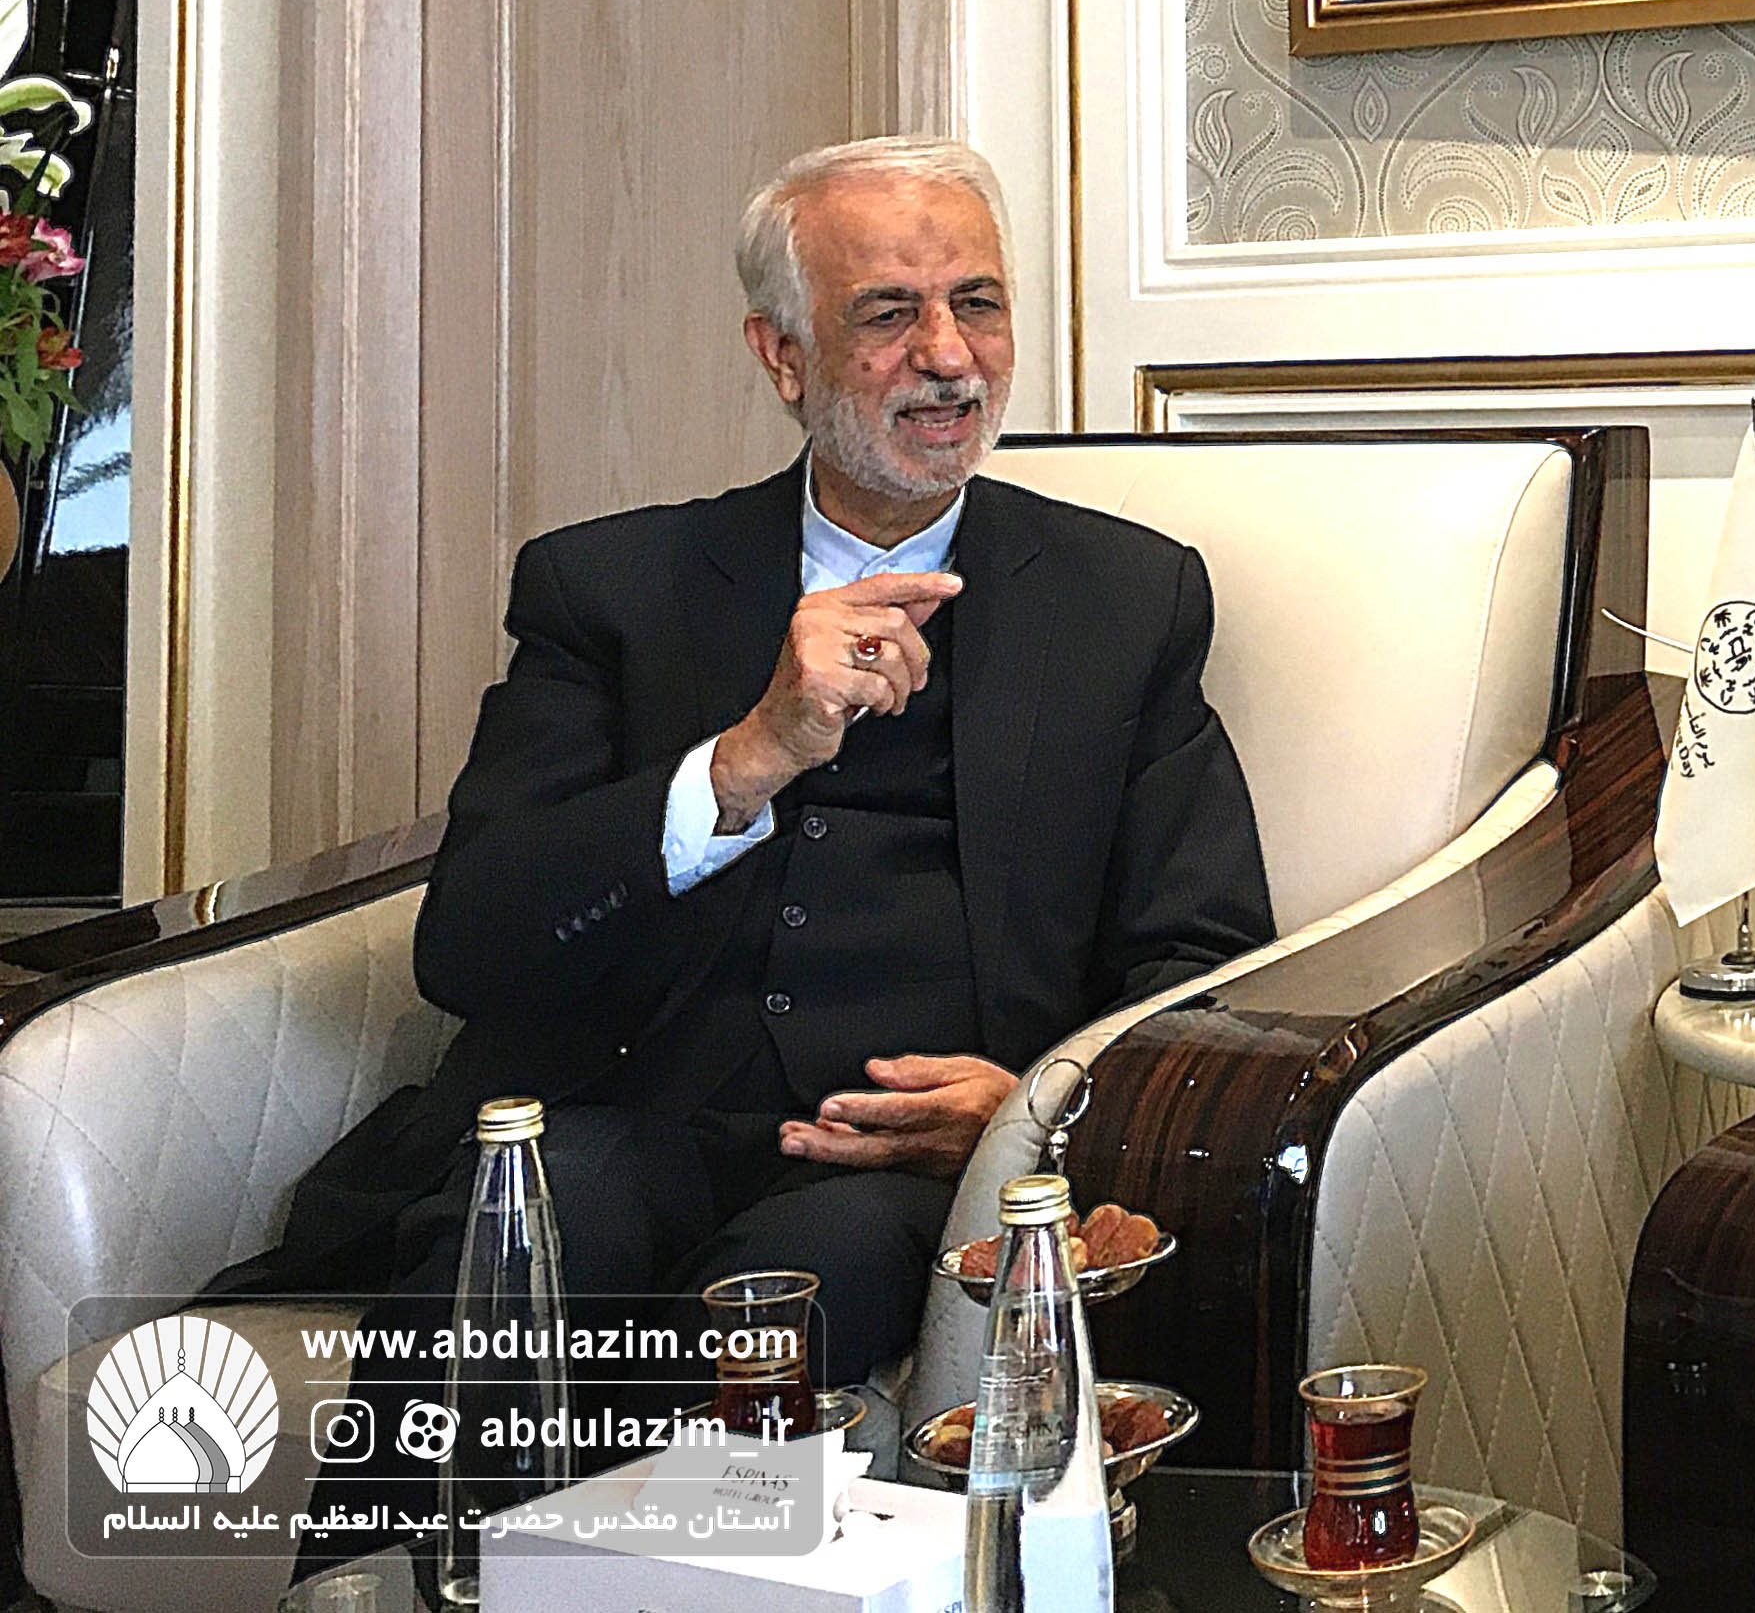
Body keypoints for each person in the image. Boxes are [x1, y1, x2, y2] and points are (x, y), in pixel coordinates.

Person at [236, 135, 1273, 1502]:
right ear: (783, 356)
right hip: (625, 1109)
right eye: (889, 314)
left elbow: (1206, 955)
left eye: (977, 302)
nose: (950, 356)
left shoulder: (1124, 599)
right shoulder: (607, 586)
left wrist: (1033, 1114)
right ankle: (393, 1586)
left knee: (787, 1301)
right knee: (525, 1243)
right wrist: (744, 759)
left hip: (896, 1166)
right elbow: (469, 944)